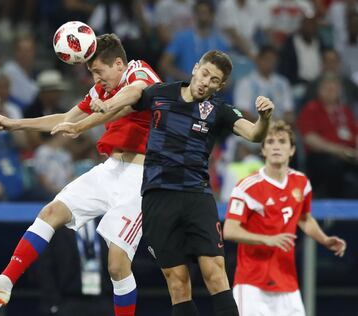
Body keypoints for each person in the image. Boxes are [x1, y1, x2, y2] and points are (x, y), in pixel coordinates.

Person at [0, 33, 161, 316]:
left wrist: (99, 112)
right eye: (91, 73)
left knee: (117, 265)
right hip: (109, 170)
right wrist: (16, 124)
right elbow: (65, 119)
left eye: (98, 72)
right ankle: (4, 281)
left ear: (119, 63)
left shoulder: (136, 70)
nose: (95, 79)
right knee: (51, 212)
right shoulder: (101, 91)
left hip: (139, 178)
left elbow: (135, 94)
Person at [83, 49, 275, 316]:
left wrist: (264, 118)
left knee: (215, 275)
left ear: (221, 86)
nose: (206, 82)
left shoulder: (220, 110)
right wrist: (105, 105)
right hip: (157, 198)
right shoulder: (160, 93)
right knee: (177, 283)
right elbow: (134, 95)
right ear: (196, 68)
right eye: (205, 73)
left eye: (214, 80)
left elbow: (254, 135)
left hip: (196, 197)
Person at [223, 120, 347, 316]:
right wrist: (267, 239)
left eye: (282, 142)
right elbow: (229, 230)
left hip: (287, 284)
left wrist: (324, 239)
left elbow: (304, 218)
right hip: (252, 284)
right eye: (270, 142)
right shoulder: (247, 186)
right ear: (263, 150)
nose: (276, 147)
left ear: (292, 150)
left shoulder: (301, 182)